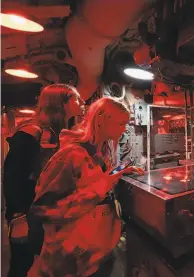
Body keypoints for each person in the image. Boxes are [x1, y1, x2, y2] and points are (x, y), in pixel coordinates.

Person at [27, 97, 144, 277]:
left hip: (99, 254)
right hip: (73, 264)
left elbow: (94, 181)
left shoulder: (101, 152)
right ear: (102, 121)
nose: (124, 129)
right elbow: (44, 209)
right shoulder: (70, 155)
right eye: (121, 123)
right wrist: (104, 185)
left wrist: (119, 173)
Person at [3, 84, 84, 277]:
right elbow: (12, 178)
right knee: (25, 266)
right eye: (76, 98)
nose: (81, 102)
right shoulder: (30, 133)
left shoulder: (58, 132)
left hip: (46, 213)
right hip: (29, 213)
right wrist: (18, 217)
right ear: (59, 103)